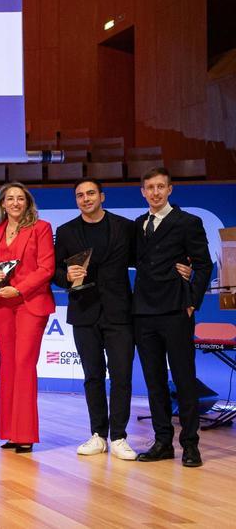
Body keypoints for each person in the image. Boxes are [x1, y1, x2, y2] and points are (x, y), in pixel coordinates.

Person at [51, 179, 138, 459]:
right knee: (93, 376)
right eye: (80, 195)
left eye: (90, 193)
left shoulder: (125, 227)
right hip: (84, 311)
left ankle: (119, 436)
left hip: (119, 312)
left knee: (122, 376)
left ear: (102, 196)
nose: (86, 199)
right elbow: (55, 271)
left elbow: (145, 260)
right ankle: (98, 435)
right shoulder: (66, 231)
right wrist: (67, 276)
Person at [131, 167, 212, 467]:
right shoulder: (138, 224)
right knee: (154, 381)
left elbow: (204, 265)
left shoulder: (188, 222)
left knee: (184, 379)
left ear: (170, 189)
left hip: (176, 310)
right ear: (143, 192)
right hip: (143, 313)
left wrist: (191, 301)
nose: (155, 192)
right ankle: (162, 442)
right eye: (150, 187)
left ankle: (190, 445)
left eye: (160, 187)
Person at [0, 182, 55, 454]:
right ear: (2, 204)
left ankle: (25, 434)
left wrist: (19, 288)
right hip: (3, 303)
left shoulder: (41, 228)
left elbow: (46, 268)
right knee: (8, 367)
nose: (15, 203)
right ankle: (10, 433)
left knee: (24, 364)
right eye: (10, 198)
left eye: (20, 198)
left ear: (27, 203)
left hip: (30, 302)